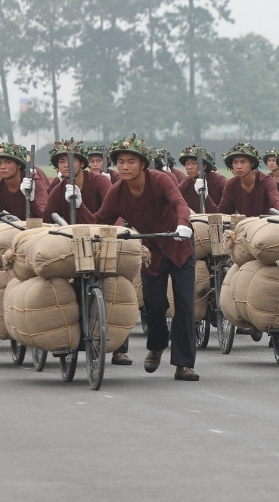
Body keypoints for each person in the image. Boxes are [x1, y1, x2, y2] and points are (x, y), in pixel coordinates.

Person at [75, 135, 199, 381]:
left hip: (178, 244)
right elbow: (100, 222)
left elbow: (180, 204)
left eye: (131, 161)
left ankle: (184, 364)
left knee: (184, 305)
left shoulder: (161, 180)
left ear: (143, 163)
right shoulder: (117, 191)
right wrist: (78, 205)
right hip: (150, 251)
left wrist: (184, 224)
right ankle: (156, 346)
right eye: (120, 161)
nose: (125, 166)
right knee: (153, 305)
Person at [0, 142, 50, 219]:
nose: (2, 167)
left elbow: (44, 218)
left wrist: (31, 200)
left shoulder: (33, 182)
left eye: (8, 162)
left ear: (19, 165)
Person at [47, 139, 110, 222]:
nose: (66, 165)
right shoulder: (58, 192)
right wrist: (31, 200)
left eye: (71, 161)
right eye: (62, 161)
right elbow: (44, 220)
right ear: (57, 167)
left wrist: (80, 206)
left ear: (82, 163)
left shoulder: (101, 182)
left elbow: (112, 218)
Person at [216, 142, 279, 217]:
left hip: (266, 224)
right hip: (244, 225)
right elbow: (223, 212)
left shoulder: (267, 181)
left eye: (243, 162)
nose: (239, 166)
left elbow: (275, 202)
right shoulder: (231, 184)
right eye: (235, 162)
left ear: (252, 164)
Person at [177, 145, 218, 214]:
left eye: (194, 163)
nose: (190, 167)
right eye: (187, 164)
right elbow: (174, 198)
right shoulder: (185, 183)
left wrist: (205, 196)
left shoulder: (217, 180)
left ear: (204, 166)